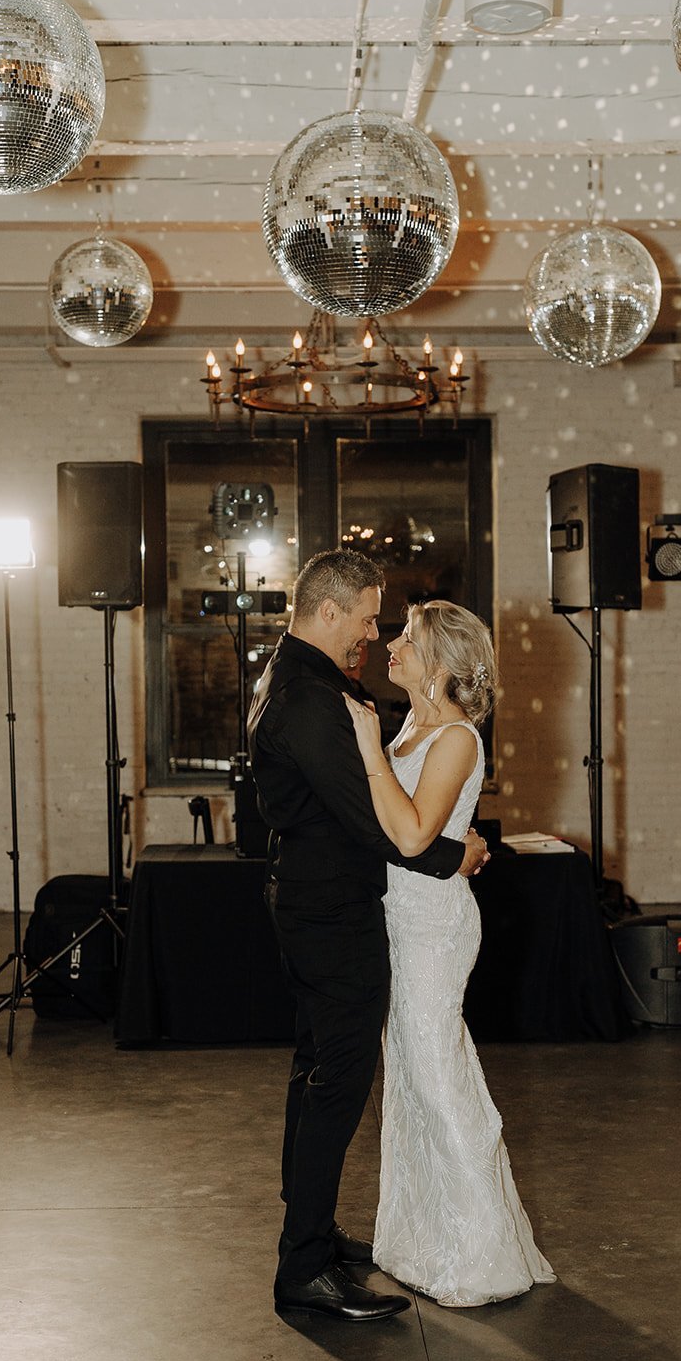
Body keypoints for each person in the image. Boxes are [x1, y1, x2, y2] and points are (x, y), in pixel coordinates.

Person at [247, 550, 488, 1322]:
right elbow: (376, 822)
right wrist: (463, 853)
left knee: (317, 1067)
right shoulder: (312, 696)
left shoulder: (295, 680)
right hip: (332, 912)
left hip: (322, 904)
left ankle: (312, 1235)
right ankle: (303, 1267)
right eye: (364, 616)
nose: (372, 632)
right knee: (337, 1082)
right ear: (328, 612)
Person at [344, 600, 555, 1307]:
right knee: (407, 1080)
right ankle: (420, 1241)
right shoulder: (412, 725)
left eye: (407, 638)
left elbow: (409, 836)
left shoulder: (457, 739)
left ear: (438, 665)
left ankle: (480, 1257)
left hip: (431, 927)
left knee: (437, 1077)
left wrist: (368, 747)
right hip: (395, 921)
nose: (392, 645)